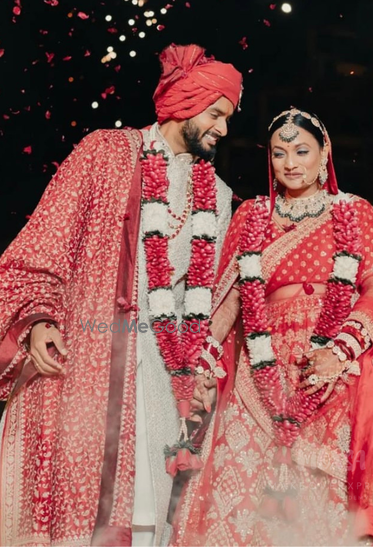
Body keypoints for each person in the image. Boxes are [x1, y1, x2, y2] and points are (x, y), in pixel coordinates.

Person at [0, 43, 243, 547]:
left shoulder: (218, 197)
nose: (222, 129)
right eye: (216, 114)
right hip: (85, 363)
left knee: (148, 512)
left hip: (162, 372)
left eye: (228, 118)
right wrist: (39, 319)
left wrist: (199, 370)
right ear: (185, 102)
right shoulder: (105, 152)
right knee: (75, 506)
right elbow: (46, 241)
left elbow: (207, 299)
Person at [172, 108, 373, 547]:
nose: (290, 163)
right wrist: (203, 363)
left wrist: (339, 351)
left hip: (336, 362)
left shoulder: (354, 211)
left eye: (302, 151)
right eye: (279, 153)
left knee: (332, 488)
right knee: (248, 489)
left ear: (325, 153)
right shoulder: (252, 215)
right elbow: (228, 300)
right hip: (261, 368)